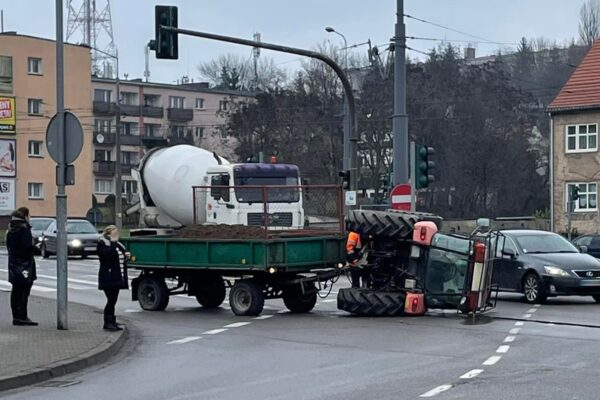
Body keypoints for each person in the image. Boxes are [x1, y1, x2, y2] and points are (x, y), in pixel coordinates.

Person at [7, 207, 38, 326]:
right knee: (24, 291)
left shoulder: (11, 229)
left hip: (14, 264)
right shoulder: (23, 229)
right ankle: (22, 316)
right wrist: (35, 248)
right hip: (24, 264)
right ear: (25, 216)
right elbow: (26, 247)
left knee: (16, 290)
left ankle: (16, 316)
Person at [97, 225, 130, 331]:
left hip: (117, 276)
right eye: (114, 233)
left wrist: (127, 254)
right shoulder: (102, 243)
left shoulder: (117, 243)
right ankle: (107, 322)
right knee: (111, 300)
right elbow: (105, 256)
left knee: (113, 300)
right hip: (108, 276)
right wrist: (112, 242)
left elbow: (122, 253)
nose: (117, 234)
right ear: (108, 234)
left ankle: (112, 321)